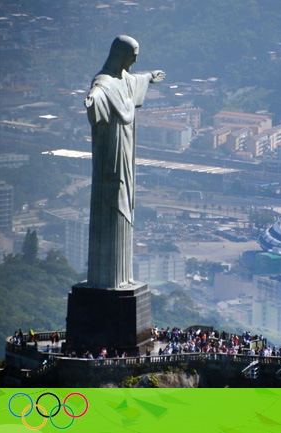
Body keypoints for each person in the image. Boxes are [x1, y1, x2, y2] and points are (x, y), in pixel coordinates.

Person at [84, 35, 164, 289]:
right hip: (111, 156)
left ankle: (122, 277)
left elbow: (134, 80)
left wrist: (149, 76)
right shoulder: (104, 82)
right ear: (120, 55)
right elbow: (97, 93)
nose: (135, 60)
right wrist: (92, 101)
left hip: (127, 154)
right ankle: (107, 279)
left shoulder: (125, 80)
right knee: (112, 203)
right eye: (132, 56)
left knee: (126, 206)